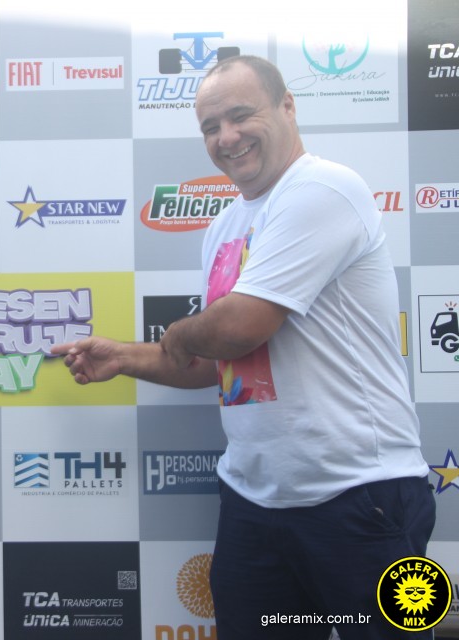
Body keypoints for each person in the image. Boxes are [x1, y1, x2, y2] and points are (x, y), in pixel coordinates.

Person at [53, 56, 434, 639]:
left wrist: (177, 333)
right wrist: (125, 357)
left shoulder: (323, 188)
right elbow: (223, 363)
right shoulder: (223, 226)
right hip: (254, 501)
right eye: (210, 127)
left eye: (240, 116)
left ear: (287, 106)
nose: (226, 137)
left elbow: (238, 327)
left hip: (360, 496)